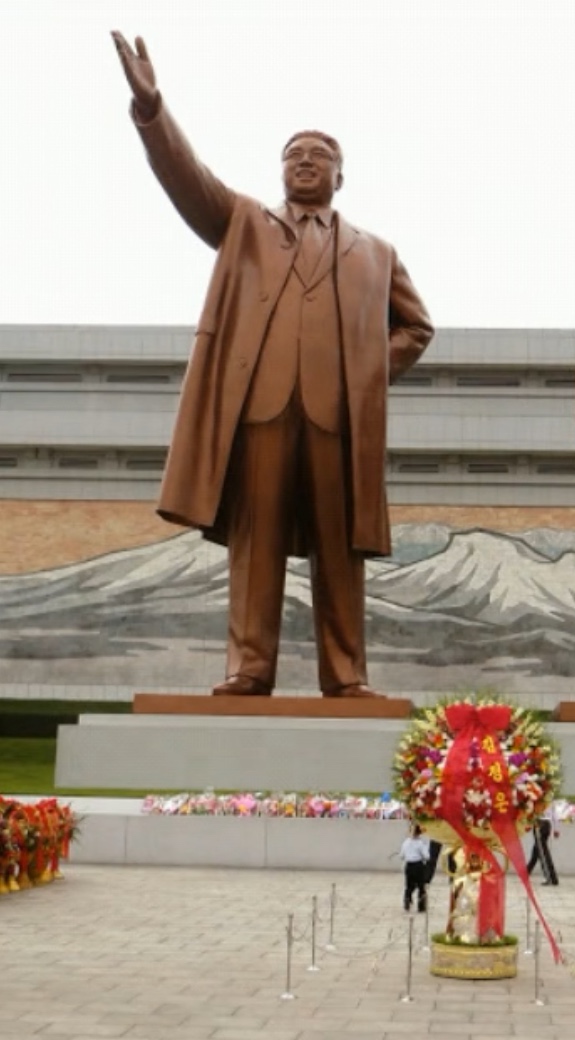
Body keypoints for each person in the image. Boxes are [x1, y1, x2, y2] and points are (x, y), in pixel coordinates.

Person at [110, 33, 433, 699]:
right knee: (254, 545)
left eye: (321, 156)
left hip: (336, 420)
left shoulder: (376, 252)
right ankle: (248, 668)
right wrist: (152, 108)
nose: (306, 163)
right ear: (280, 170)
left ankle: (345, 676)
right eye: (295, 155)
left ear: (341, 177)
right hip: (259, 411)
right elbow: (186, 179)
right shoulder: (244, 223)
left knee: (340, 549)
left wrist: (367, 373)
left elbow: (417, 327)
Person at [526, 802, 559, 885]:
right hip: (546, 824)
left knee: (542, 853)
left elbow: (531, 810)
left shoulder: (536, 795)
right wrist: (555, 828)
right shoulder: (549, 796)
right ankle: (527, 872)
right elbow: (554, 814)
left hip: (540, 823)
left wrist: (528, 824)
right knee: (537, 850)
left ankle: (551, 878)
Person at [399, 824, 430, 913]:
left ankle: (407, 900)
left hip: (409, 866)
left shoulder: (405, 842)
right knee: (421, 886)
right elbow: (427, 856)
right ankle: (421, 906)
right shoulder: (421, 843)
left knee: (409, 885)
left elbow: (401, 855)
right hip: (418, 866)